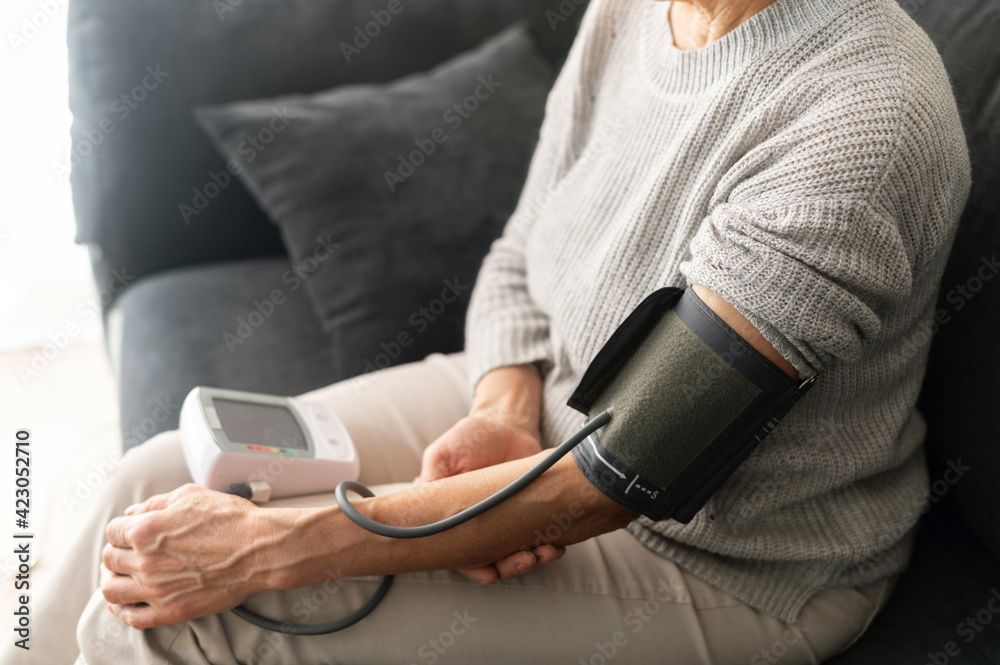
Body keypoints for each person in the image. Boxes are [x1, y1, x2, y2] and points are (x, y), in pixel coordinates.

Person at [19, 0, 972, 662]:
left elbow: (625, 474)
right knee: (148, 488)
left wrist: (269, 544)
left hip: (730, 556)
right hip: (546, 404)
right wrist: (502, 405)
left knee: (185, 613)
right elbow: (525, 246)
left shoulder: (863, 121)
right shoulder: (635, 14)